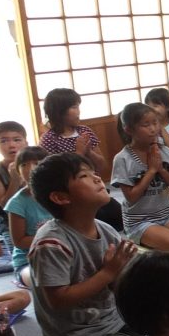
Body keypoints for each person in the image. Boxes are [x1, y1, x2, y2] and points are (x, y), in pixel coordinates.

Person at [28, 152, 141, 336]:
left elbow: (119, 284)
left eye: (95, 173)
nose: (98, 178)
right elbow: (58, 300)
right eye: (84, 176)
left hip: (113, 320)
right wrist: (109, 272)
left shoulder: (105, 229)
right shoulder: (51, 244)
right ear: (60, 197)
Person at [111, 103, 169, 252]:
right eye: (145, 125)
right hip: (139, 221)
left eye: (155, 123)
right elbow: (131, 197)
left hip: (167, 214)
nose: (153, 129)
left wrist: (161, 170)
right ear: (128, 129)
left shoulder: (164, 151)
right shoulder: (122, 159)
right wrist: (152, 170)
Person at [39, 88, 123, 231]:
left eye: (78, 106)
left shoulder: (85, 131)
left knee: (118, 216)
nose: (78, 111)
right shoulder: (49, 139)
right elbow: (57, 174)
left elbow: (102, 165)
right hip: (73, 196)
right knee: (94, 223)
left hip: (96, 188)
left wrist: (89, 151)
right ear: (59, 111)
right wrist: (78, 152)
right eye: (74, 107)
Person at [5, 146, 51, 288]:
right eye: (24, 164)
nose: (30, 168)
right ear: (17, 171)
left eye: (36, 163)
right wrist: (54, 238)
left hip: (59, 253)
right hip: (27, 261)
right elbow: (19, 241)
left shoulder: (58, 194)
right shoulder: (17, 203)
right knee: (44, 280)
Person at [0, 121, 28, 256]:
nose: (11, 145)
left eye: (17, 140)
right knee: (22, 257)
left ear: (26, 143)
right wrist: (15, 180)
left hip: (37, 217)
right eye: (3, 141)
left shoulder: (34, 164)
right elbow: (4, 205)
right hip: (8, 221)